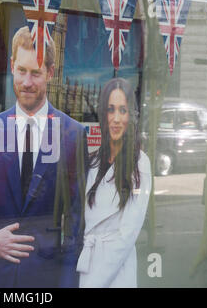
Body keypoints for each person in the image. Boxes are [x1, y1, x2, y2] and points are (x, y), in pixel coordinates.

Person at [0, 26, 88, 288]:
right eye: (22, 70)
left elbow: (77, 225)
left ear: (51, 73)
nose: (27, 82)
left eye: (36, 73)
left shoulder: (73, 135)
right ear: (11, 65)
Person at [76, 77, 152, 288]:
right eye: (111, 110)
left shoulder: (140, 164)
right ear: (103, 115)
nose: (116, 118)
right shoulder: (93, 161)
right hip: (87, 264)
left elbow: (127, 234)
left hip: (117, 271)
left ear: (132, 116)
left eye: (123, 110)